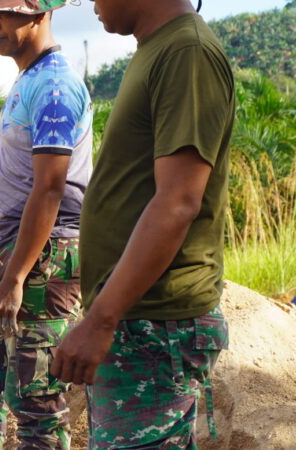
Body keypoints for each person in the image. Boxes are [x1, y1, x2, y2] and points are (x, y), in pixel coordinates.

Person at [51, 0, 234, 448]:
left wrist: (100, 320)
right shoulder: (157, 49)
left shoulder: (186, 53)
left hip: (155, 326)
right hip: (139, 321)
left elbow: (178, 201)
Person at [0, 1, 93, 447]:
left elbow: (52, 190)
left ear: (40, 14)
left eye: (7, 13)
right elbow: (28, 188)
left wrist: (15, 277)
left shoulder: (55, 87)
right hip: (20, 256)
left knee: (37, 405)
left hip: (45, 265)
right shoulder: (28, 81)